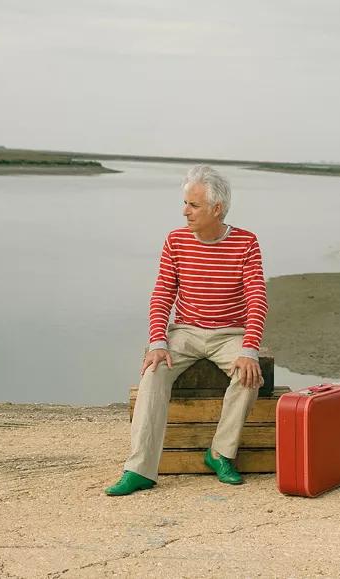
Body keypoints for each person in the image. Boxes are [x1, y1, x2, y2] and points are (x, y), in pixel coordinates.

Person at [105, 165, 268, 496]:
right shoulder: (175, 240)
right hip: (185, 332)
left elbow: (257, 298)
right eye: (186, 203)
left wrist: (249, 348)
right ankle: (140, 469)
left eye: (193, 205)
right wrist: (157, 341)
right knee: (153, 372)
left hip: (229, 334)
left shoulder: (246, 243)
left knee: (250, 375)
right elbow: (163, 292)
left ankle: (220, 453)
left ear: (216, 209)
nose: (185, 211)